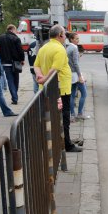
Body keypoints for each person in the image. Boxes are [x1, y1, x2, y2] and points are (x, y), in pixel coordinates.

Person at [34, 24, 82, 152]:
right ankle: (66, 144)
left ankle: (55, 142)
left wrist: (40, 76)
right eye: (64, 34)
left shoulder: (44, 48)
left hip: (47, 88)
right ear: (60, 35)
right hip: (60, 88)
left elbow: (36, 65)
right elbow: (55, 69)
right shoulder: (60, 49)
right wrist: (44, 79)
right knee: (64, 117)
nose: (66, 36)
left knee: (52, 116)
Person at [0, 24, 24, 105]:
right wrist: (22, 60)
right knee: (16, 80)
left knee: (10, 80)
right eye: (15, 30)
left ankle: (14, 97)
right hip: (15, 62)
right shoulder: (16, 38)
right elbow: (20, 50)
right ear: (12, 30)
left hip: (5, 63)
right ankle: (15, 96)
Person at [66, 33, 89, 120]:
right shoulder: (74, 48)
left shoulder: (68, 48)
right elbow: (76, 63)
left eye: (78, 39)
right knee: (84, 93)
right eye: (76, 39)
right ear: (71, 39)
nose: (78, 40)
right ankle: (80, 113)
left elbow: (70, 61)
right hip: (76, 74)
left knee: (72, 95)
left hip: (70, 74)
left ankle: (72, 115)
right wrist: (80, 76)